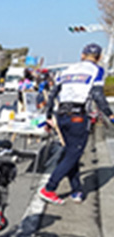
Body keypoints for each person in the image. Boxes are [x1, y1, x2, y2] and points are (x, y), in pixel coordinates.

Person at [39, 43, 114, 204]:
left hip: (61, 115)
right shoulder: (96, 71)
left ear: (82, 55)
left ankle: (76, 190)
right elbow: (98, 96)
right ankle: (49, 188)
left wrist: (48, 116)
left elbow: (53, 94)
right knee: (74, 154)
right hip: (78, 117)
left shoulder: (67, 70)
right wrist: (110, 115)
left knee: (70, 153)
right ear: (99, 57)